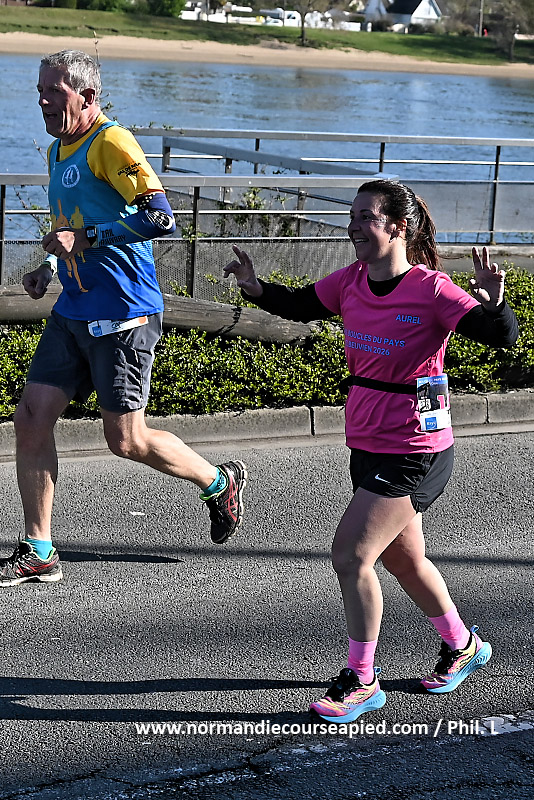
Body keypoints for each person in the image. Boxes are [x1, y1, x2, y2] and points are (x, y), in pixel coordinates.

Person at [223, 179, 518, 723]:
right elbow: (300, 304)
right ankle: (464, 645)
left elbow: (497, 335)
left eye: (366, 217)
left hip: (415, 446)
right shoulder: (351, 281)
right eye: (353, 215)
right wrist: (255, 287)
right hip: (366, 440)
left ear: (398, 228)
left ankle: (361, 680)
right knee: (404, 559)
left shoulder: (431, 289)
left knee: (351, 555)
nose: (354, 226)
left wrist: (495, 302)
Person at [0, 50, 247, 588]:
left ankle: (217, 480)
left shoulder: (111, 143)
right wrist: (48, 266)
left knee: (126, 440)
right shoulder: (57, 150)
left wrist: (88, 238)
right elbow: (69, 223)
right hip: (73, 309)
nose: (42, 101)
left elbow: (161, 217)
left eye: (54, 92)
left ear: (87, 97)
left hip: (123, 314)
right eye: (39, 91)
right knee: (31, 418)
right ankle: (39, 549)